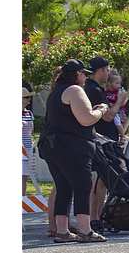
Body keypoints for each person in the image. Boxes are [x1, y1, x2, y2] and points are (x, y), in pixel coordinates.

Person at [37, 60, 110, 243]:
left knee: (63, 188)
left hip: (51, 145)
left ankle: (62, 231)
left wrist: (90, 113)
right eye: (83, 73)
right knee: (83, 186)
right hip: (71, 146)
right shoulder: (75, 90)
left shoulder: (56, 92)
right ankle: (85, 230)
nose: (85, 77)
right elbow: (86, 120)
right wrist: (101, 111)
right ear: (77, 74)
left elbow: (74, 116)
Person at [84, 57, 128, 226]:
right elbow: (108, 116)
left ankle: (98, 216)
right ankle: (94, 218)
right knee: (101, 180)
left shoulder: (95, 89)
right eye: (107, 70)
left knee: (103, 180)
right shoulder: (94, 90)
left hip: (106, 137)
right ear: (100, 71)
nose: (109, 74)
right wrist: (119, 102)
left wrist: (117, 112)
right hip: (102, 138)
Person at [23, 86, 36, 197]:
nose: (29, 99)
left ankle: (23, 200)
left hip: (27, 147)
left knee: (24, 176)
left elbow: (31, 130)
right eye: (26, 97)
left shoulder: (29, 114)